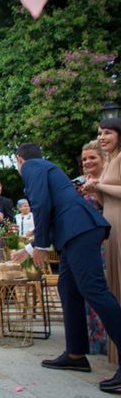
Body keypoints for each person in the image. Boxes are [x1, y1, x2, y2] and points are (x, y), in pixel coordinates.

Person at [11, 143, 121, 394]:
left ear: (19, 160)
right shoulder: (45, 167)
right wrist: (30, 249)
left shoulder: (31, 166)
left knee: (94, 290)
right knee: (68, 288)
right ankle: (75, 353)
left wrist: (39, 245)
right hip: (74, 231)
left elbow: (41, 204)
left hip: (79, 229)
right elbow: (50, 208)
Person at [84, 119, 121, 366]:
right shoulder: (111, 161)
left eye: (108, 132)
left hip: (119, 221)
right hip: (109, 223)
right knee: (113, 286)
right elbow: (104, 196)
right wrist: (94, 189)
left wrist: (100, 185)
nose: (103, 137)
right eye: (100, 133)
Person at [76, 140, 107, 356]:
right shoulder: (79, 183)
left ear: (104, 159)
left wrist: (98, 191)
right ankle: (95, 341)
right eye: (85, 159)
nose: (87, 162)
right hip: (87, 243)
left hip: (108, 240)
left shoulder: (109, 180)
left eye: (92, 158)